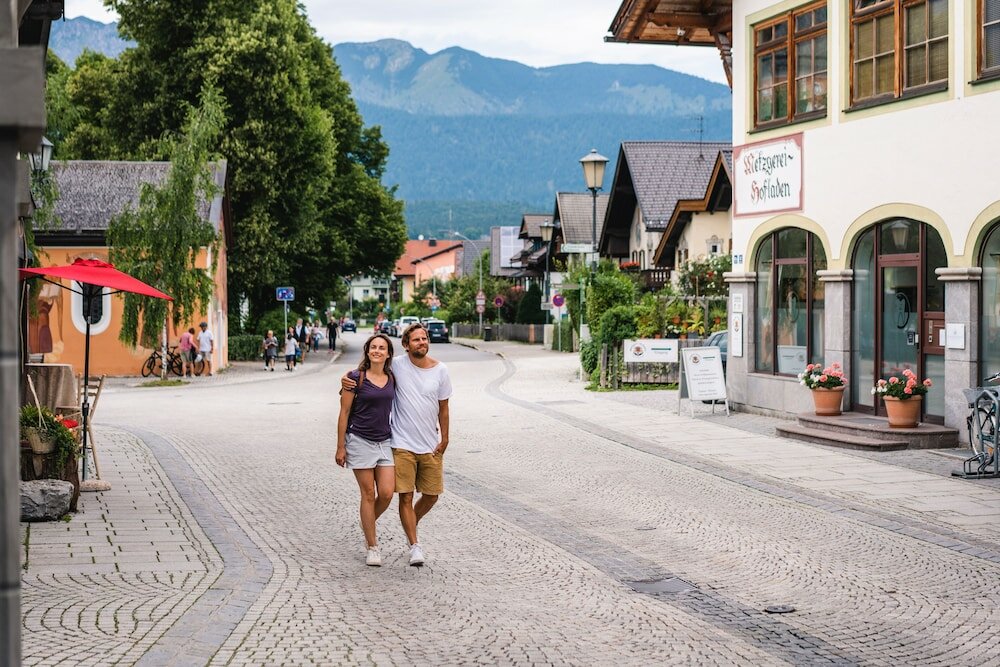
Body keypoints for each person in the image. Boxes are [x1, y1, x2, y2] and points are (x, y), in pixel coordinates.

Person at [342, 322, 452, 566]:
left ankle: (404, 521)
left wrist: (445, 438)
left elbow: (444, 408)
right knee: (400, 496)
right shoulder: (398, 367)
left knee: (432, 495)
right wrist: (346, 378)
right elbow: (367, 370)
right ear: (405, 345)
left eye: (424, 339)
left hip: (429, 444)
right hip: (400, 443)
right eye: (416, 340)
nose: (422, 342)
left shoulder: (441, 370)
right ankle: (412, 545)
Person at [335, 333, 396, 567]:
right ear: (367, 351)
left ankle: (366, 520)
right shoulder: (354, 378)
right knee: (368, 494)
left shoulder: (392, 377)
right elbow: (344, 413)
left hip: (385, 441)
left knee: (388, 492)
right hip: (359, 440)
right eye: (373, 347)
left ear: (388, 353)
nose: (377, 351)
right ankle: (373, 547)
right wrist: (341, 446)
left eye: (382, 348)